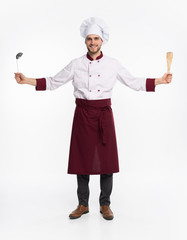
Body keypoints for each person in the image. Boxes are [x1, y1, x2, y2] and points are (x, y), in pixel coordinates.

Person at [14, 17, 172, 221]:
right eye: (89, 38)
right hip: (82, 115)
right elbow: (54, 82)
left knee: (106, 162)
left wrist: (159, 80)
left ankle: (105, 204)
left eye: (96, 38)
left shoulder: (113, 64)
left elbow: (133, 82)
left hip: (104, 115)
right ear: (85, 40)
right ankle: (83, 204)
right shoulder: (76, 64)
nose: (93, 42)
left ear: (102, 40)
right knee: (82, 161)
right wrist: (27, 80)